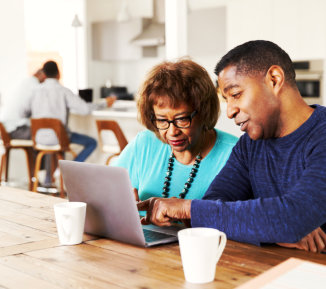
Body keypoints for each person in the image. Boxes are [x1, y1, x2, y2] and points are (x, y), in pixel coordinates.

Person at [137, 40, 326, 253]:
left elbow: (294, 216)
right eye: (226, 100)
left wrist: (187, 208)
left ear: (274, 79)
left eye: (236, 95)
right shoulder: (250, 145)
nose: (230, 112)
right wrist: (271, 230)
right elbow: (211, 207)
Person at [112, 59, 238, 203]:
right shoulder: (144, 143)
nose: (172, 132)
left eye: (181, 119)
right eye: (161, 120)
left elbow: (243, 217)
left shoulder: (235, 153)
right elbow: (105, 190)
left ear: (204, 112)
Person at [23, 60, 115, 184]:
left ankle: (48, 181)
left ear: (43, 74)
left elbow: (26, 112)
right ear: (58, 74)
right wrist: (104, 103)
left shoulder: (34, 92)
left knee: (53, 147)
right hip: (59, 139)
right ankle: (69, 169)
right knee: (91, 142)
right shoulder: (63, 91)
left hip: (38, 139)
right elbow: (85, 109)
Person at [1, 68, 46, 139]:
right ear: (43, 76)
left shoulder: (24, 82)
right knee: (45, 137)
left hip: (7, 128)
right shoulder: (35, 86)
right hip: (16, 129)